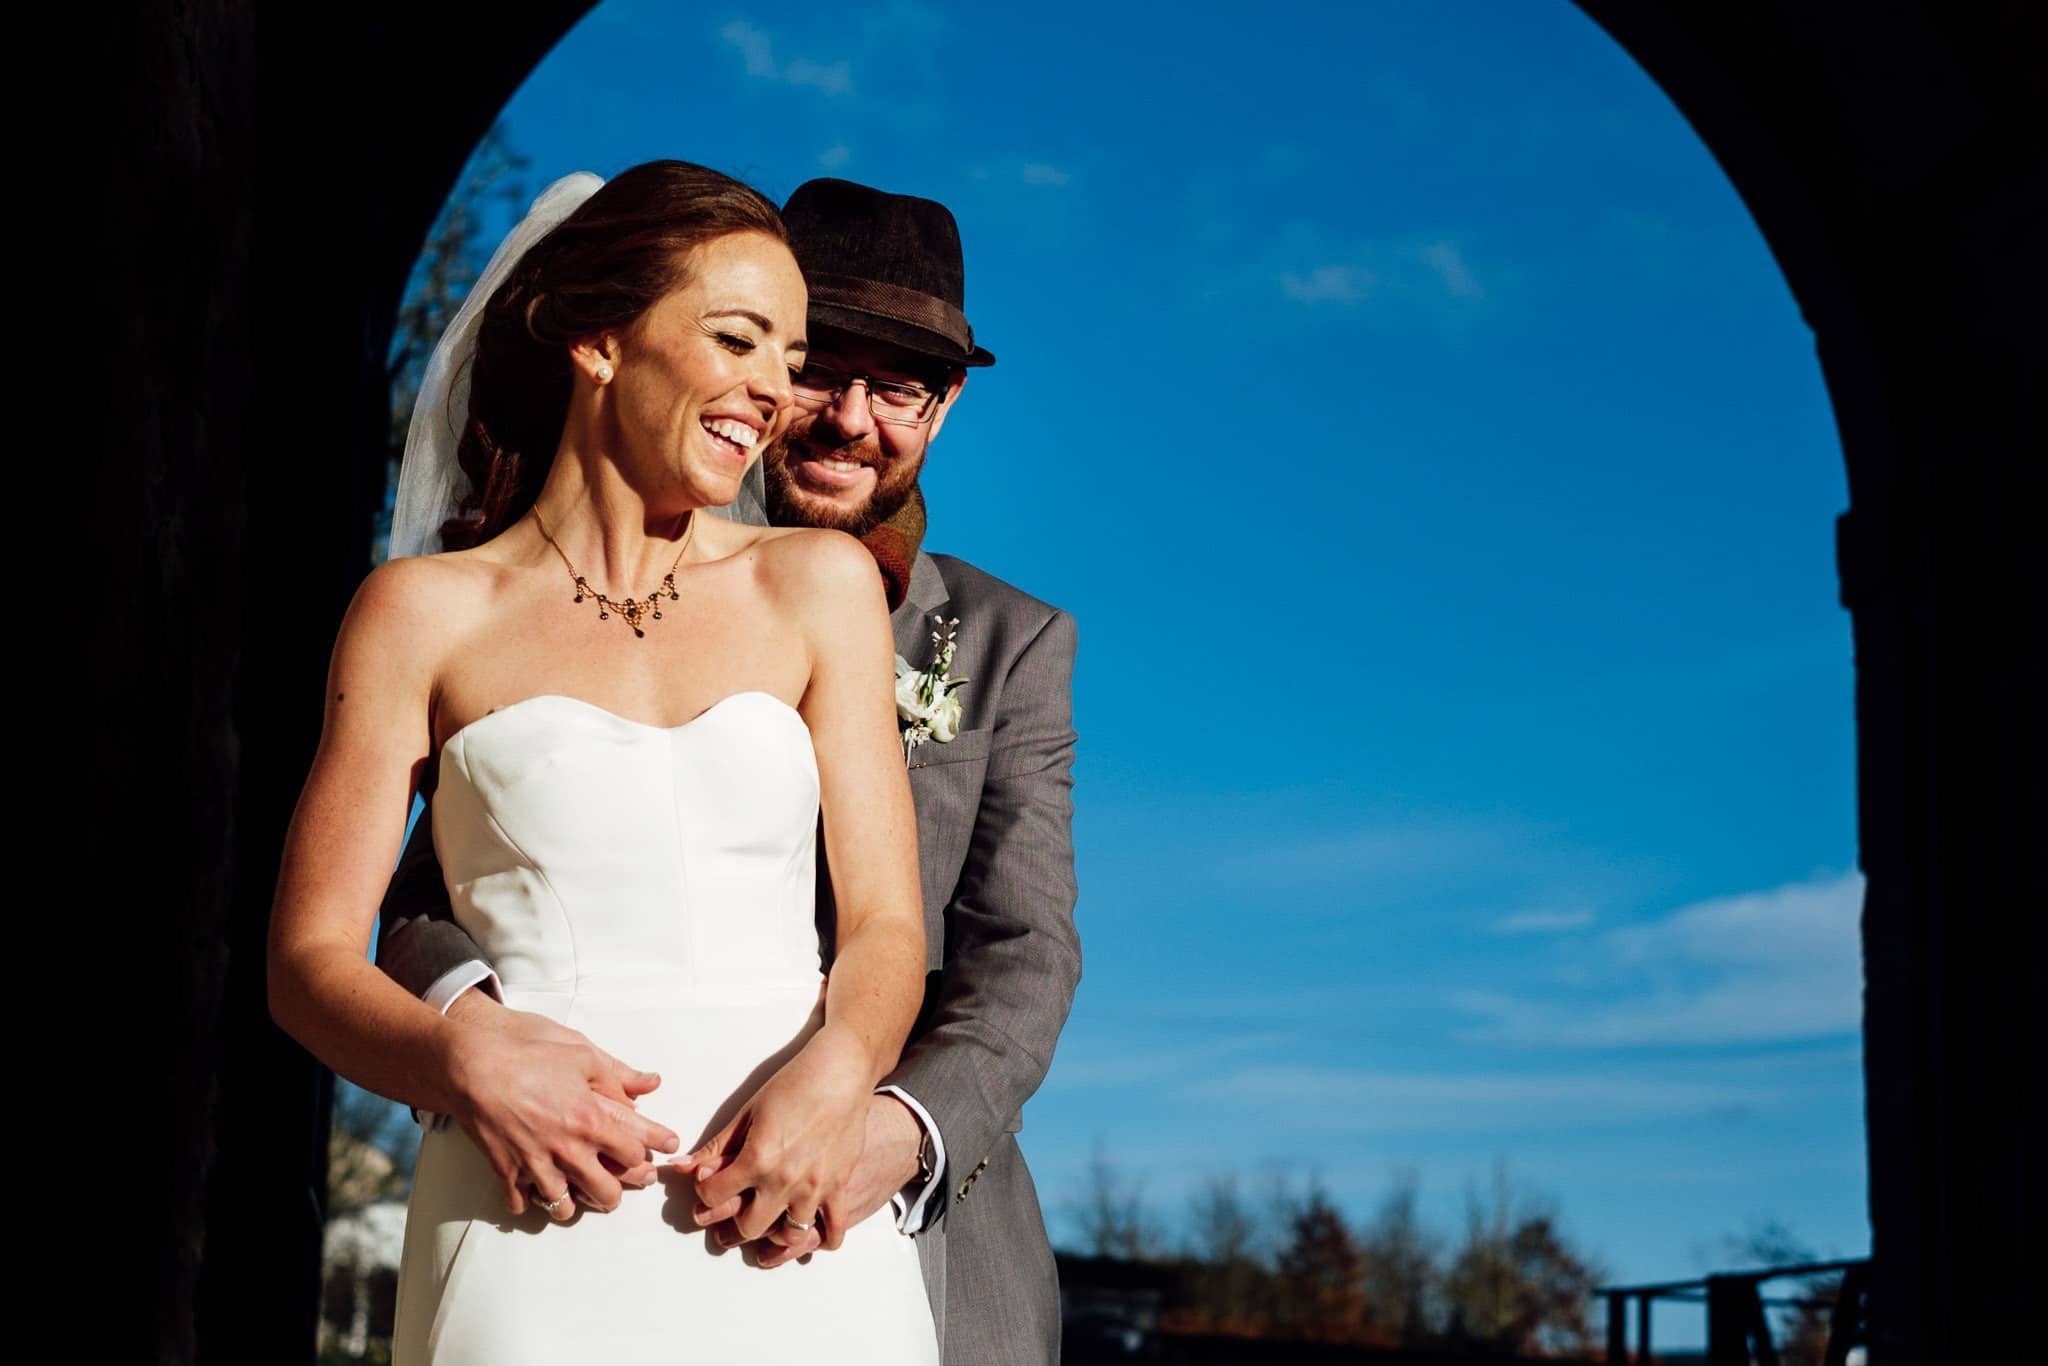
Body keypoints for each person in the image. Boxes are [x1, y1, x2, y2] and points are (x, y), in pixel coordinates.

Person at [377, 177, 1082, 1364]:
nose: (848, 416)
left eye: (898, 386)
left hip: (906, 1216)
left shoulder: (1010, 641)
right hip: (594, 1175)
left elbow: (1026, 948)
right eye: (818, 366)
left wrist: (888, 1126)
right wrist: (490, 1044)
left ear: (943, 410)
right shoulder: (522, 607)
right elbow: (416, 898)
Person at [267, 161, 938, 1363]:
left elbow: (888, 924)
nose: (773, 393)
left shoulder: (819, 588)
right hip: (534, 1208)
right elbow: (308, 959)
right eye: (737, 338)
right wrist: (460, 1054)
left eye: (788, 357)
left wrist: (837, 1072)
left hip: (792, 1205)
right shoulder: (422, 613)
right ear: (598, 341)